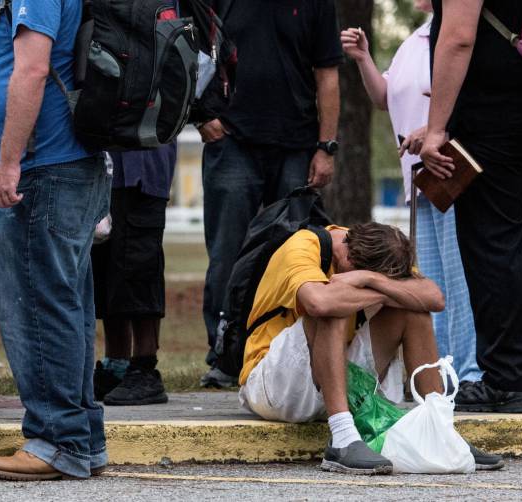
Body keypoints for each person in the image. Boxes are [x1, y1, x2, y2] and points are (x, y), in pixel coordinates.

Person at [405, 0, 522, 412]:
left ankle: (505, 378)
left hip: (493, 121)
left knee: (492, 250)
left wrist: (438, 128)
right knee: (518, 246)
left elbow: (459, 38)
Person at [237, 222, 504, 474]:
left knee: (414, 312)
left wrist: (371, 281)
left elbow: (434, 297)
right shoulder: (303, 245)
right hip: (273, 387)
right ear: (350, 260)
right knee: (334, 307)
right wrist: (390, 291)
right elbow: (319, 302)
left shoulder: (379, 251)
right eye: (367, 275)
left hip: (335, 381)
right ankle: (342, 440)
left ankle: (440, 431)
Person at [0, 0, 110, 481]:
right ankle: (82, 439)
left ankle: (57, 440)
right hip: (68, 164)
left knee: (37, 305)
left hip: (42, 168)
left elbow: (32, 70)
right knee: (66, 304)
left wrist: (8, 162)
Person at [197, 0, 342, 388]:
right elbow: (189, 49)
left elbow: (327, 73)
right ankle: (226, 357)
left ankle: (297, 355)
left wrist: (326, 147)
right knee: (228, 253)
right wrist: (201, 115)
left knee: (303, 253)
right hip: (232, 143)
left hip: (297, 146)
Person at [340, 1, 482, 383]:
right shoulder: (415, 40)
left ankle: (470, 371)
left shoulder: (455, 31)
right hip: (420, 178)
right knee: (431, 280)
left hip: (451, 168)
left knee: (459, 278)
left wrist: (436, 128)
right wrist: (363, 58)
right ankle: (444, 371)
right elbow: (386, 97)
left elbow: (464, 93)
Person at [92, 144, 176, 406]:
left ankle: (145, 366)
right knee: (106, 269)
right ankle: (117, 365)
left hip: (142, 165)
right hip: (104, 166)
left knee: (140, 268)